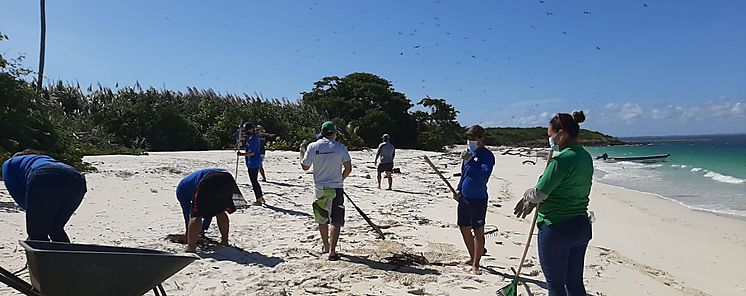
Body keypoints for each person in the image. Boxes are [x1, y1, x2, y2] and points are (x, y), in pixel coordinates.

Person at [513, 111, 593, 296]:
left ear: (561, 133)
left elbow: (539, 194)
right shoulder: (585, 157)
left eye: (550, 135)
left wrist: (527, 196)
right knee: (574, 284)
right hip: (581, 226)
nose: (549, 139)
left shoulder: (560, 160)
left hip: (556, 228)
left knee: (556, 285)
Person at [1, 149, 87, 242]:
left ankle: (42, 256)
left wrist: (33, 210)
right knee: (55, 229)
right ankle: (66, 256)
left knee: (37, 232)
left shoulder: (9, 163)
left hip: (44, 176)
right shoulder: (45, 159)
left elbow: (16, 191)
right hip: (76, 178)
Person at [301, 121, 352, 261]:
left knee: (322, 218)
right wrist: (341, 179)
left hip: (320, 188)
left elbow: (305, 167)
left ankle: (326, 245)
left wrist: (301, 155)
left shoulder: (313, 146)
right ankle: (332, 251)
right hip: (336, 187)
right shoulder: (340, 147)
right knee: (336, 219)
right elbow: (348, 168)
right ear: (334, 134)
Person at [454, 125, 495, 275]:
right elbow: (464, 173)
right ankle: (472, 257)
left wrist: (473, 159)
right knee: (464, 227)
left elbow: (484, 173)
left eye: (473, 138)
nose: (470, 141)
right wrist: (458, 189)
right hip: (464, 196)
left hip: (478, 198)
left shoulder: (487, 155)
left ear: (481, 139)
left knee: (478, 231)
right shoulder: (468, 154)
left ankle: (476, 264)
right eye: (468, 138)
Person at [176, 168, 240, 252]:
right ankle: (224, 241)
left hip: (209, 179)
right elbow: (210, 208)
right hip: (227, 177)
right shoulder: (187, 185)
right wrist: (203, 229)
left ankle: (191, 248)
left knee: (196, 214)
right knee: (220, 210)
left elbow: (189, 213)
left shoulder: (181, 193)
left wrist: (188, 234)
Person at [237, 122, 265, 205]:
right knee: (254, 181)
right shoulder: (250, 138)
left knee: (254, 181)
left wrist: (241, 154)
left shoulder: (255, 139)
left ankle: (259, 200)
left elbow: (252, 153)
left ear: (251, 129)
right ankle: (260, 197)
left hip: (254, 163)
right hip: (250, 163)